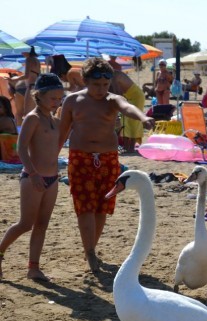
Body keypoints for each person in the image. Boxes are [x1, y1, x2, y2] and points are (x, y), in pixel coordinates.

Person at [58, 57, 154, 273]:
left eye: (105, 84)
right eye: (95, 84)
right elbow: (62, 132)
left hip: (108, 158)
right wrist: (50, 160)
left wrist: (143, 118)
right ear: (85, 80)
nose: (101, 89)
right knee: (85, 207)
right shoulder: (72, 101)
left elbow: (128, 107)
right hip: (80, 158)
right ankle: (90, 252)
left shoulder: (113, 99)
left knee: (103, 206)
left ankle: (91, 247)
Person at [0, 74, 65, 282]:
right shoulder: (33, 118)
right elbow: (21, 148)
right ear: (40, 96)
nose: (57, 102)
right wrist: (34, 173)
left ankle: (33, 267)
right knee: (25, 223)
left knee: (42, 224)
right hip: (32, 177)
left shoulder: (55, 120)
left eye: (59, 98)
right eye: (53, 98)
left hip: (52, 179)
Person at [110, 68, 146, 153]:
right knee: (124, 122)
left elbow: (117, 93)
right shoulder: (112, 75)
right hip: (128, 97)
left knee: (133, 122)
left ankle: (131, 147)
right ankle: (126, 147)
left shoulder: (114, 76)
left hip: (137, 96)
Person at [11, 48, 40, 126]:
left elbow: (26, 75)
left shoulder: (28, 59)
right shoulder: (36, 60)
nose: (21, 52)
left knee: (26, 114)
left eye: (23, 50)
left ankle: (22, 133)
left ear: (28, 50)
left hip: (30, 87)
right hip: (34, 87)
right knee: (32, 112)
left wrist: (15, 79)